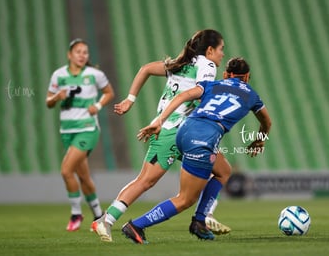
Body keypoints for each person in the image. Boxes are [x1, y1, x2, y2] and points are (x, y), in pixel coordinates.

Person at [92, 29, 231, 242]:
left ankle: (204, 218)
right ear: (210, 50)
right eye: (221, 49)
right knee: (146, 181)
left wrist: (131, 99)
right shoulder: (207, 65)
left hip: (179, 131)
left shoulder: (181, 63)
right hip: (173, 131)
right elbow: (202, 93)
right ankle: (106, 220)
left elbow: (146, 69)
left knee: (221, 170)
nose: (223, 54)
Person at [121, 57, 271, 244]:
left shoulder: (212, 85)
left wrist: (159, 120)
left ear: (225, 75)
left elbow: (182, 96)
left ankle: (200, 221)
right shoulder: (252, 95)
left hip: (185, 128)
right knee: (185, 199)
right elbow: (266, 122)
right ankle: (136, 226)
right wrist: (259, 140)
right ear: (247, 77)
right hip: (203, 138)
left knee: (223, 170)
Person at [46, 38, 115, 231]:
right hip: (67, 131)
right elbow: (48, 102)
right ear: (69, 55)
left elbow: (109, 93)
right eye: (78, 52)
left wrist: (98, 105)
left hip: (87, 129)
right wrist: (56, 97)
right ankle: (99, 216)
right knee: (84, 177)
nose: (82, 55)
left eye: (85, 52)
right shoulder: (58, 75)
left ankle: (76, 214)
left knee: (66, 170)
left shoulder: (95, 74)